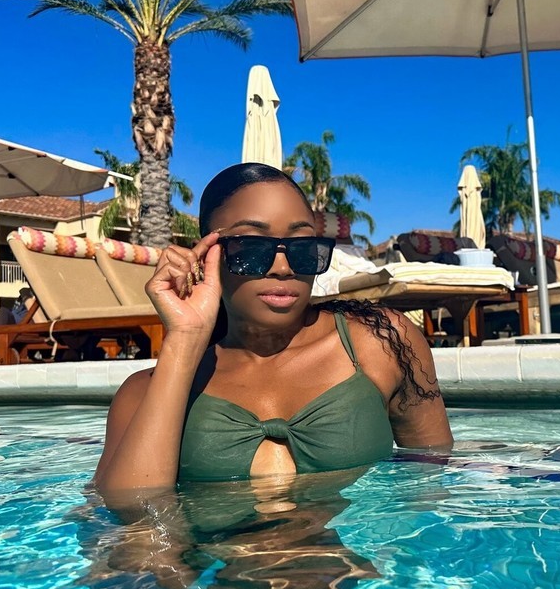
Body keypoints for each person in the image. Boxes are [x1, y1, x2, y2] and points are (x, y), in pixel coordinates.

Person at [94, 163, 453, 494]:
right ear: (204, 256)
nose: (283, 268)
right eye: (251, 248)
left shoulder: (382, 342)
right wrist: (183, 342)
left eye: (303, 248)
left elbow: (432, 482)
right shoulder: (144, 393)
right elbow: (134, 518)